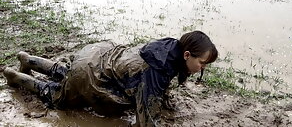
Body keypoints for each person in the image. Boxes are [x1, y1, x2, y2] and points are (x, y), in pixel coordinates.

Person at [3, 31, 218, 126]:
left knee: (66, 74)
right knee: (56, 96)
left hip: (98, 57)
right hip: (90, 73)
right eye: (202, 63)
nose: (202, 69)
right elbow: (147, 121)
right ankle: (15, 77)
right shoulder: (156, 71)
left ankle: (29, 59)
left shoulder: (170, 47)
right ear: (187, 55)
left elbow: (158, 88)